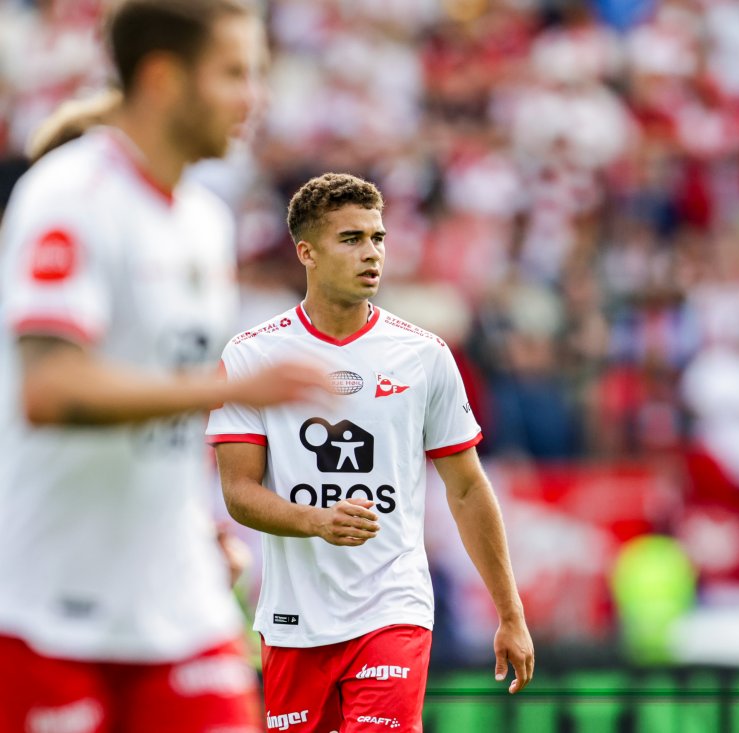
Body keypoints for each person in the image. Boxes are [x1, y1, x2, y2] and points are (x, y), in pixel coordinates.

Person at [0, 1, 330, 731]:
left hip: (178, 600)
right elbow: (50, 387)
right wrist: (232, 387)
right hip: (49, 606)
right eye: (233, 73)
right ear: (161, 79)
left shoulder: (204, 222)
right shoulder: (68, 198)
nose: (254, 98)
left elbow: (164, 411)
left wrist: (197, 520)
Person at [208, 173, 535, 731]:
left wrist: (510, 612)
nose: (372, 254)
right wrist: (315, 521)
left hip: (393, 607)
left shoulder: (424, 356)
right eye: (351, 239)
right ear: (306, 252)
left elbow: (466, 487)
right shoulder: (252, 355)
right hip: (293, 619)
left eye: (378, 238)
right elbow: (239, 493)